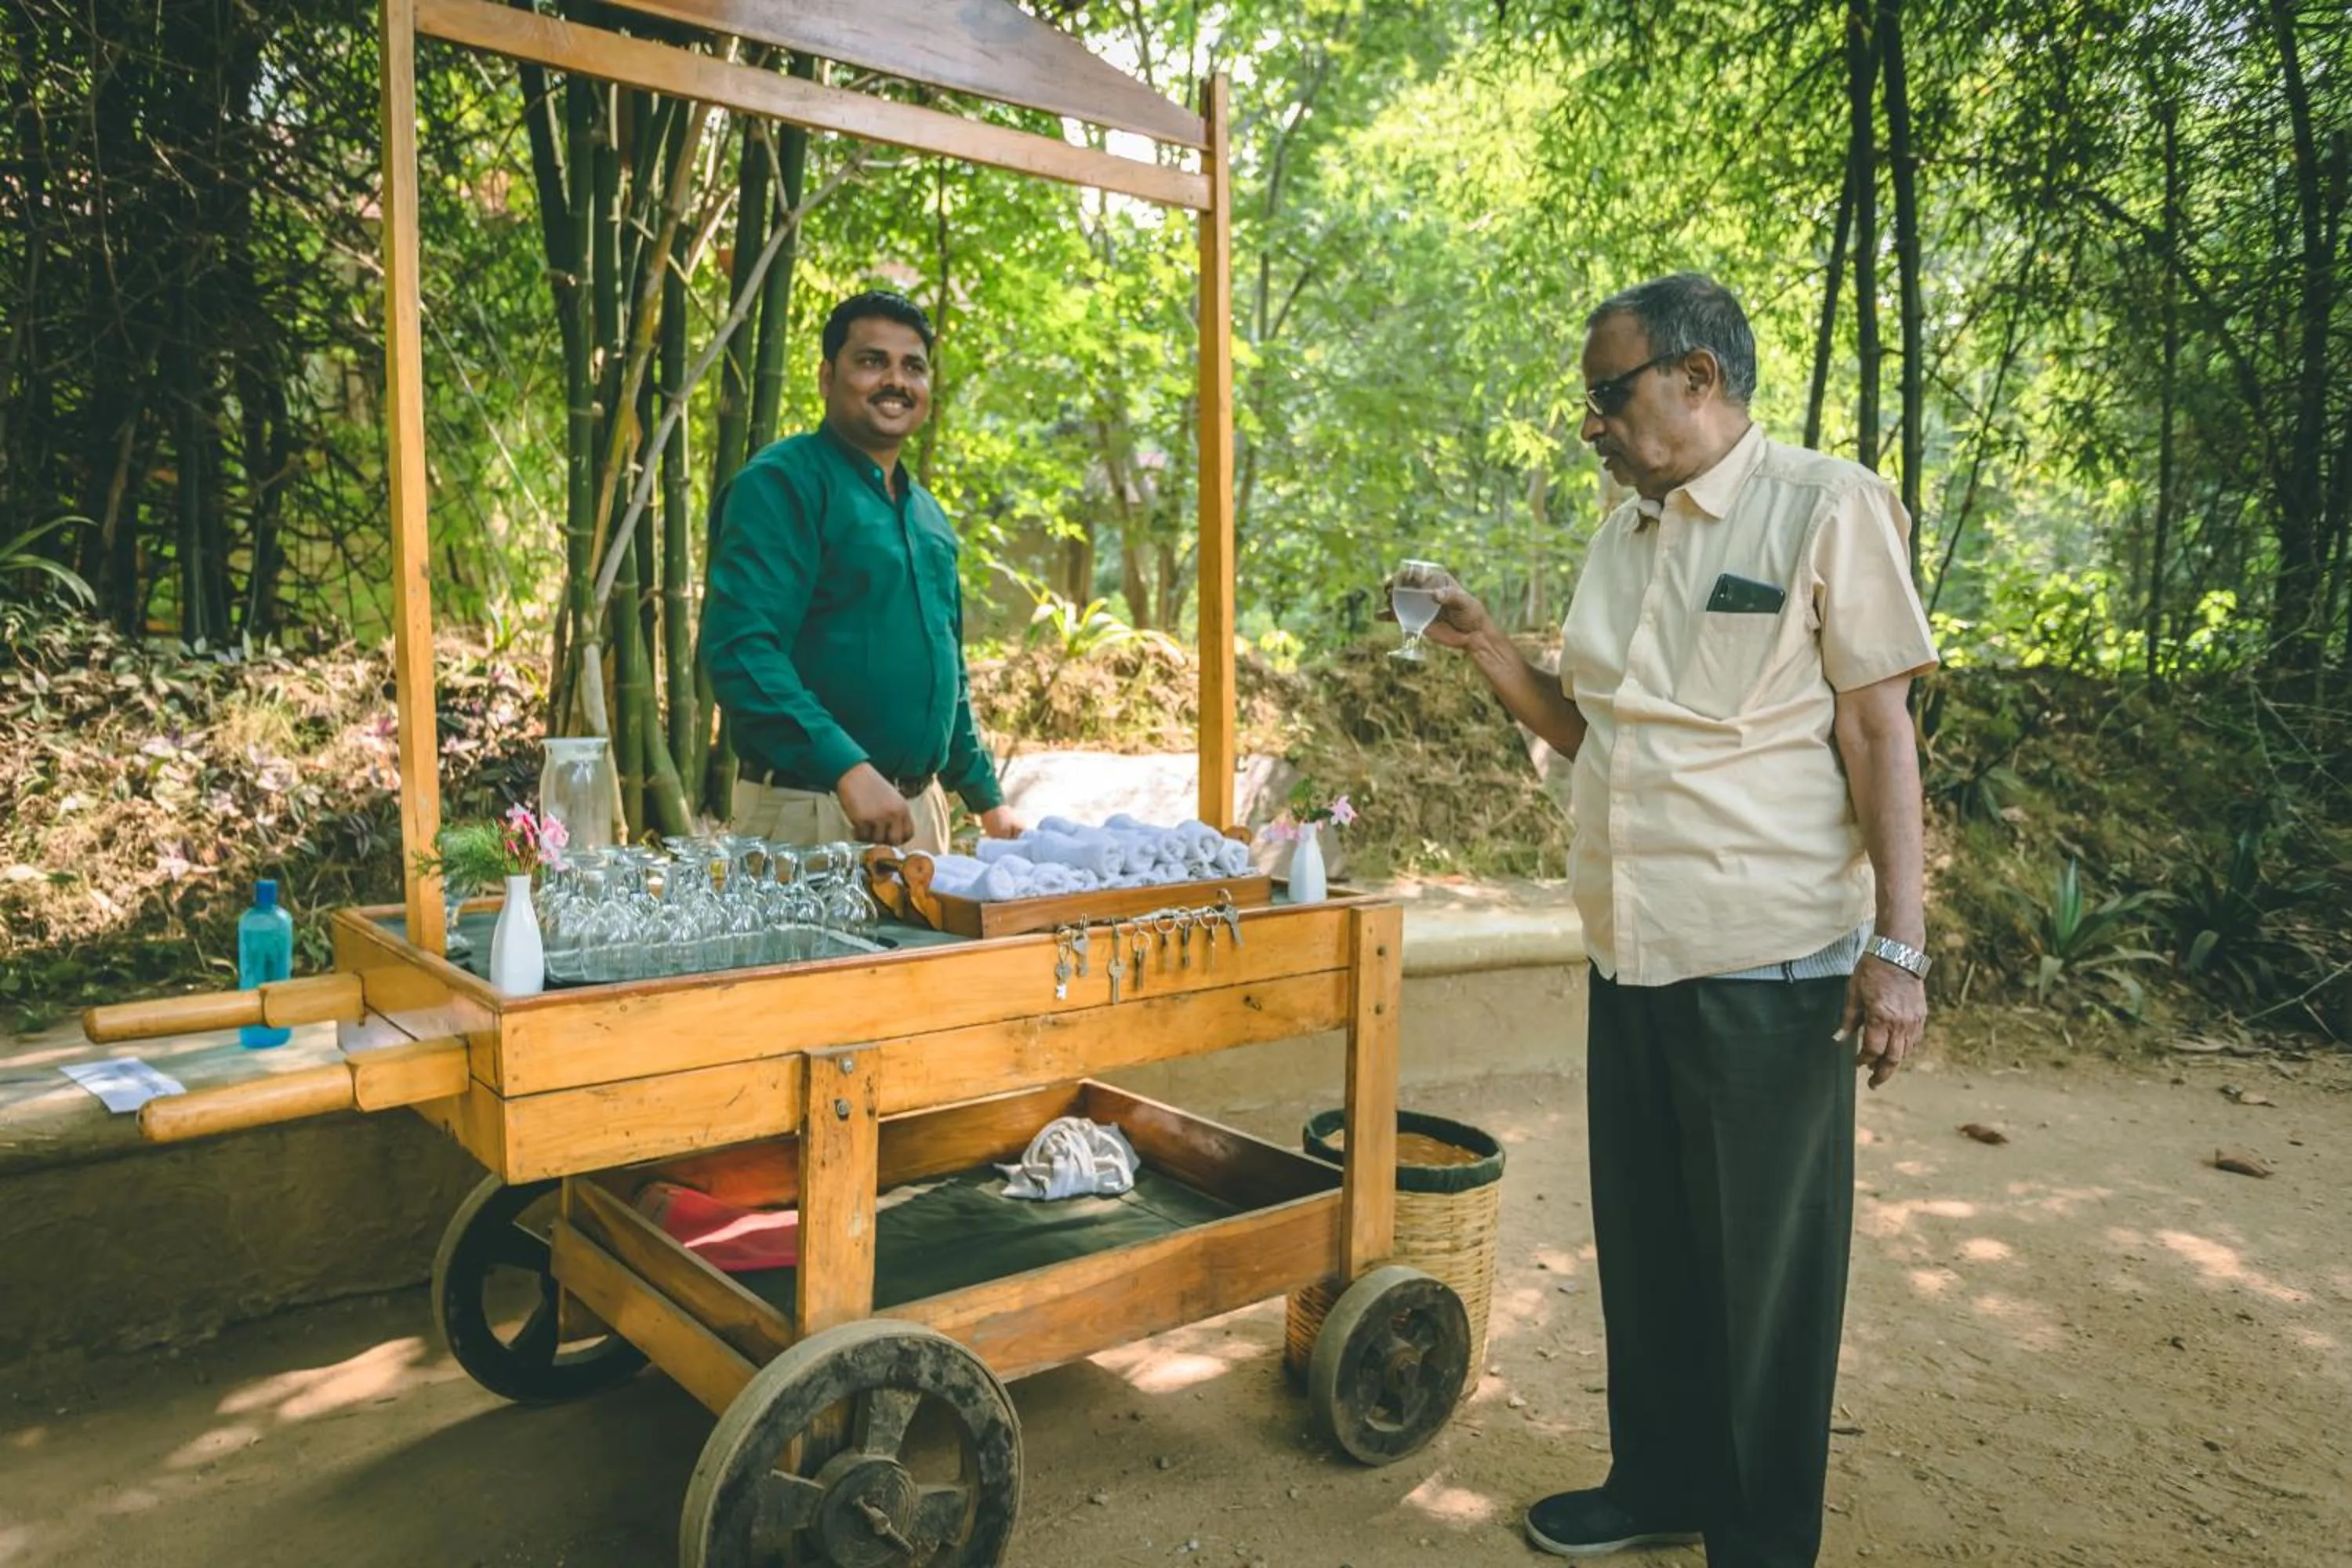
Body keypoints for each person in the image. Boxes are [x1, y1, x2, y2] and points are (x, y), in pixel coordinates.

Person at [1396, 273, 1936, 1566]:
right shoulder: (1621, 539)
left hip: (1771, 957)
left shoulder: (1823, 507)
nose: (1592, 423)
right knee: (1649, 1251)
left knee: (1764, 1277)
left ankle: (1758, 1539)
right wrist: (1485, 648)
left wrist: (1899, 950)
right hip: (1630, 951)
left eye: (1610, 392)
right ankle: (1661, 1485)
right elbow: (1594, 736)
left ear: (1699, 379)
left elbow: (1878, 729)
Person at [702, 290, 1022, 853]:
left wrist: (989, 803)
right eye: (872, 361)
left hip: (921, 819)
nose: (895, 380)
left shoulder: (928, 517)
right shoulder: (782, 485)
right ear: (828, 378)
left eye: (913, 367)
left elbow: (949, 676)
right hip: (812, 814)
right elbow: (742, 651)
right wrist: (847, 767)